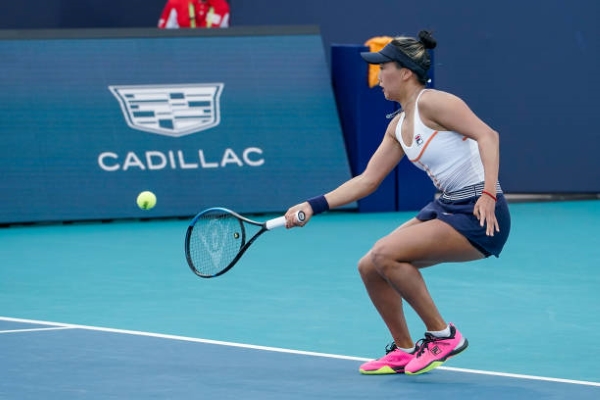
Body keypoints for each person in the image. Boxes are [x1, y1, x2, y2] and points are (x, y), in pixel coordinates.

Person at [283, 30, 511, 376]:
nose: (377, 77)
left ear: (405, 72)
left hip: (479, 213)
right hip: (446, 207)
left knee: (385, 253)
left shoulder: (434, 103)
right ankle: (404, 349)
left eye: (382, 67)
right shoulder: (399, 125)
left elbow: (488, 135)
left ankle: (443, 336)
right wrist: (313, 205)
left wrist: (488, 194)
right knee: (369, 267)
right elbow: (367, 181)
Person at [158, 0, 230, 29]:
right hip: (180, 54)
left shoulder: (222, 6)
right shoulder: (175, 3)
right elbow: (163, 39)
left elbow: (223, 41)